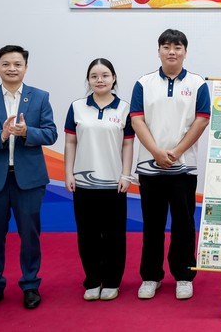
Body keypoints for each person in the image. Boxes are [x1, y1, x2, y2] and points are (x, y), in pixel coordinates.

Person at [0, 45, 58, 314]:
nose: (12, 68)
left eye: (17, 64)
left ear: (26, 67)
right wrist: (2, 135)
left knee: (30, 236)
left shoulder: (40, 97)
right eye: (6, 64)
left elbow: (51, 134)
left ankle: (30, 285)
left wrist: (27, 132)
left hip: (29, 181)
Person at [130, 29, 210, 301]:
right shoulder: (144, 83)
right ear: (159, 51)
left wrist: (176, 152)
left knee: (184, 224)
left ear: (185, 52)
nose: (171, 51)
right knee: (152, 225)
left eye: (177, 47)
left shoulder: (198, 84)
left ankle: (184, 275)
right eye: (166, 46)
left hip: (183, 167)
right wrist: (156, 152)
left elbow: (202, 120)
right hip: (150, 167)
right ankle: (151, 276)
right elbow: (137, 120)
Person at [64, 58, 135, 301]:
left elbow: (128, 145)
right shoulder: (77, 107)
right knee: (88, 235)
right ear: (88, 80)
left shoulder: (124, 108)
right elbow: (70, 142)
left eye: (105, 75)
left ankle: (112, 282)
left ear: (114, 78)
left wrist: (126, 175)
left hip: (114, 184)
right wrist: (68, 173)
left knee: (114, 236)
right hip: (83, 184)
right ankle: (93, 280)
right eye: (94, 76)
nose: (100, 80)